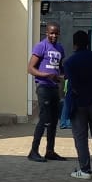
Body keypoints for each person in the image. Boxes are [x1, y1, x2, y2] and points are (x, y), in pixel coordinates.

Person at [62, 30, 92, 179]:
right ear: (88, 43)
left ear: (74, 44)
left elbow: (73, 84)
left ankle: (84, 170)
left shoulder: (69, 62)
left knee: (81, 137)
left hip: (78, 104)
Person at [26, 22, 66, 162]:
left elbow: (60, 68)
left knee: (54, 120)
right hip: (43, 86)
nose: (54, 35)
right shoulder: (41, 46)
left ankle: (50, 151)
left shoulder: (60, 48)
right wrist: (46, 75)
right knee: (44, 119)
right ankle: (33, 151)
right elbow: (30, 68)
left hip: (55, 87)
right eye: (51, 33)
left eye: (56, 33)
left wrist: (62, 75)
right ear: (46, 33)